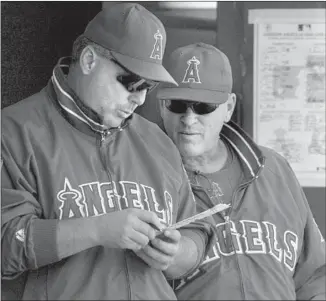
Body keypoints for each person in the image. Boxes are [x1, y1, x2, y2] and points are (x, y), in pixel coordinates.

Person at [1, 5, 216, 300]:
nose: (139, 99)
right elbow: (5, 246)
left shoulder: (157, 141)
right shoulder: (13, 131)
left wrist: (175, 253)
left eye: (148, 87)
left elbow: (198, 235)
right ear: (89, 60)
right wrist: (97, 230)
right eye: (132, 82)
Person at [157, 42, 326, 300]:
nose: (189, 119)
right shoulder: (147, 179)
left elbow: (314, 275)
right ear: (161, 106)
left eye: (204, 106)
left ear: (228, 108)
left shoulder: (273, 168)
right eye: (177, 104)